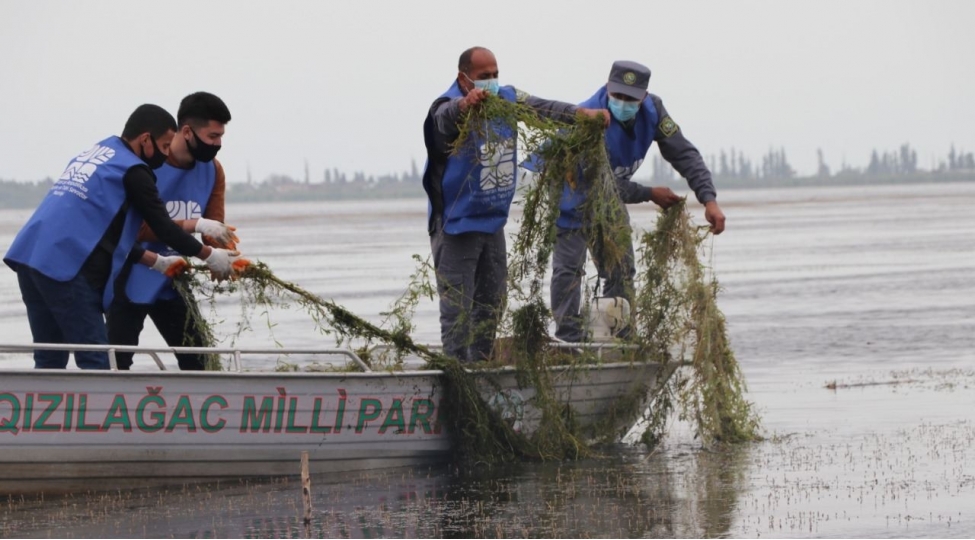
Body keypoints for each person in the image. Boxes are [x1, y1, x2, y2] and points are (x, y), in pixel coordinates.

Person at [3, 104, 241, 370]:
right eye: (163, 146)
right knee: (98, 359)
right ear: (144, 140)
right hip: (63, 266)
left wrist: (155, 261)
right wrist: (209, 256)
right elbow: (163, 227)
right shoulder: (134, 171)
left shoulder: (100, 152)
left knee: (49, 356)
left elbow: (100, 232)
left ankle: (33, 409)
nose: (165, 155)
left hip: (29, 256)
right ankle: (100, 411)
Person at [422, 46, 608, 363]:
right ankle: (455, 373)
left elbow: (541, 108)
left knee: (492, 301)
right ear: (464, 78)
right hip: (456, 227)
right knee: (457, 311)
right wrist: (466, 105)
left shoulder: (506, 99)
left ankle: (479, 365)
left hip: (492, 224)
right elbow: (443, 118)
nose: (491, 82)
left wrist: (581, 115)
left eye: (495, 75)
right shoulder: (446, 104)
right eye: (484, 77)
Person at [551, 60, 726, 343]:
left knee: (621, 269)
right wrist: (648, 193)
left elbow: (685, 155)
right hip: (574, 197)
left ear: (643, 96)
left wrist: (709, 199)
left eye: (630, 98)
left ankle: (615, 335)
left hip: (612, 203)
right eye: (617, 96)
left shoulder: (653, 111)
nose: (622, 102)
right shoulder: (587, 117)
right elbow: (598, 184)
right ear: (608, 88)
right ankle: (568, 338)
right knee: (569, 271)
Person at [107, 92, 236, 371]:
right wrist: (196, 227)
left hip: (174, 277)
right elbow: (134, 229)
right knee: (115, 364)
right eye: (213, 136)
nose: (218, 144)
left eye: (221, 136)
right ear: (187, 131)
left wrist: (225, 257)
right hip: (131, 272)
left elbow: (214, 230)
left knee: (200, 362)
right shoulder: (146, 164)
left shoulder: (213, 170)